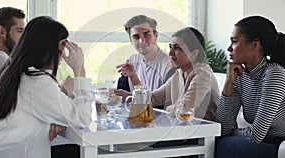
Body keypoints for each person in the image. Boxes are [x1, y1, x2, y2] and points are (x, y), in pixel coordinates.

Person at [0, 16, 93, 158]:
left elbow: (35, 108)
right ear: (47, 48)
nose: (62, 56)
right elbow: (83, 119)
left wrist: (56, 117)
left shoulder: (11, 72)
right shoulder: (37, 81)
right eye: (61, 48)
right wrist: (80, 70)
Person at [215, 15, 285, 158]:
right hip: (261, 143)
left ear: (255, 45)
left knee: (224, 145)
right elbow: (222, 128)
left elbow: (257, 135)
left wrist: (233, 132)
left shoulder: (274, 73)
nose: (229, 48)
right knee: (216, 142)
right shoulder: (239, 75)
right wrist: (228, 83)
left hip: (281, 146)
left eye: (234, 42)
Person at [116, 27, 219, 121]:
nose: (170, 53)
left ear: (194, 53)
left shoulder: (203, 74)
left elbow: (184, 109)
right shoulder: (178, 74)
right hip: (182, 130)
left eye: (177, 48)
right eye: (170, 47)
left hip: (202, 134)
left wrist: (168, 109)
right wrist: (130, 97)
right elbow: (154, 98)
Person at [117, 15, 174, 94]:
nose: (141, 41)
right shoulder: (131, 61)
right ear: (130, 40)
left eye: (147, 35)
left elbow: (167, 102)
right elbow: (122, 95)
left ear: (156, 36)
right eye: (136, 37)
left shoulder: (170, 63)